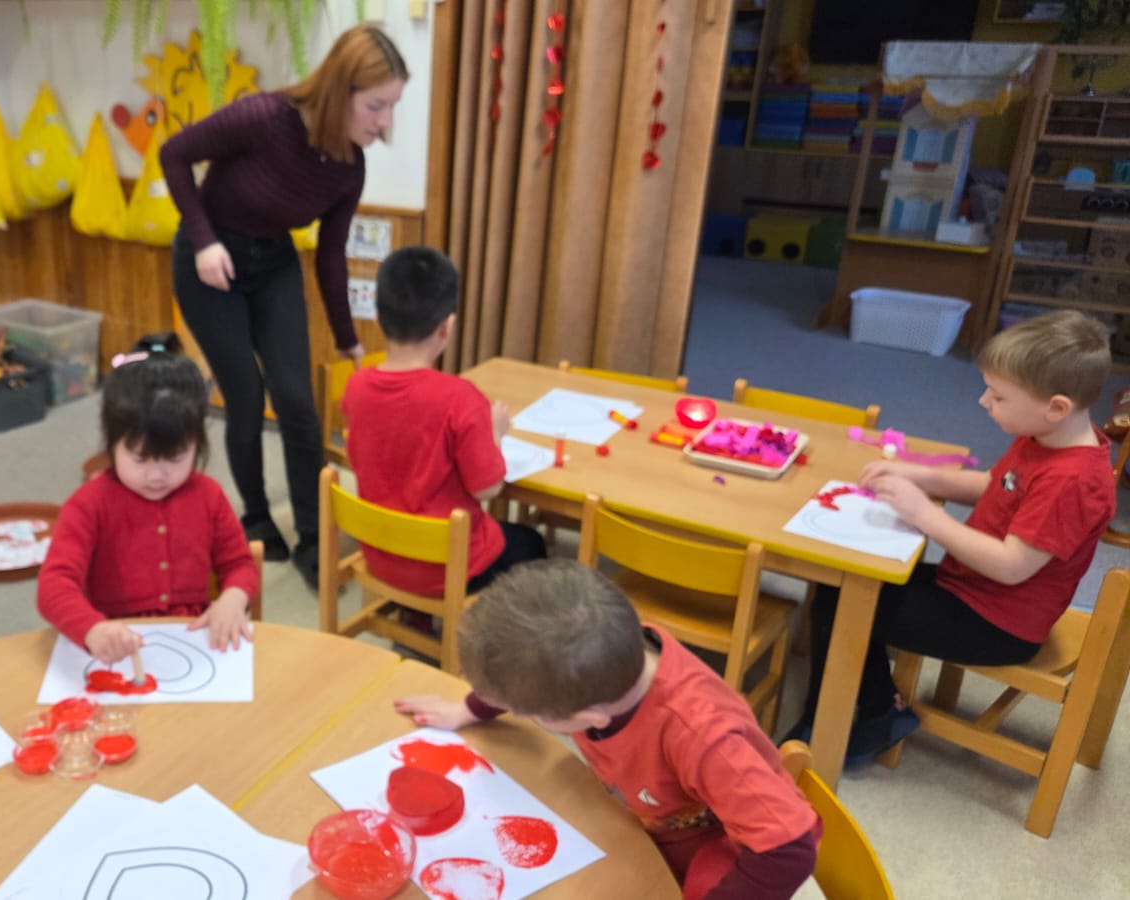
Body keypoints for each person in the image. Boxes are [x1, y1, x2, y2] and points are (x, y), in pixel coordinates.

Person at [791, 309, 1117, 766]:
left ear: (1056, 407)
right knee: (843, 580)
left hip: (997, 623)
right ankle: (877, 703)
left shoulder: (1074, 482)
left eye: (998, 396)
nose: (984, 402)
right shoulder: (1045, 436)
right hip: (968, 588)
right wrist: (920, 475)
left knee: (848, 603)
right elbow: (995, 485)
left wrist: (923, 513)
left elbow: (1010, 565)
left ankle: (847, 722)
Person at [395, 561, 819, 900]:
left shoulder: (702, 736)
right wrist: (468, 709)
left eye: (533, 714)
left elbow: (790, 849)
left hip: (715, 844)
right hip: (641, 817)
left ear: (591, 716)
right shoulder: (606, 649)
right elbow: (529, 662)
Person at [161, 24, 409, 587]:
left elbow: (331, 255)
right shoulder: (265, 117)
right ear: (341, 90)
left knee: (297, 399)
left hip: (273, 263)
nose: (385, 121)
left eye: (392, 107)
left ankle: (314, 538)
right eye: (376, 106)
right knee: (246, 396)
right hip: (211, 264)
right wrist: (203, 240)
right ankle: (255, 517)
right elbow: (174, 154)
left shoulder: (350, 167)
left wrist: (347, 338)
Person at [37, 334, 260, 665]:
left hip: (194, 640)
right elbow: (53, 586)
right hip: (115, 646)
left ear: (198, 445)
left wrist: (233, 598)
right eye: (140, 459)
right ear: (111, 445)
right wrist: (91, 628)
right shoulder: (89, 504)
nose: (157, 476)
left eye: (175, 458)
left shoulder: (209, 495)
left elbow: (240, 565)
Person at [342, 246, 546, 597]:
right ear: (446, 328)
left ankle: (416, 614)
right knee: (531, 542)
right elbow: (487, 488)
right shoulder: (460, 398)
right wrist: (495, 434)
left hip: (380, 554)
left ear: (376, 319)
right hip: (449, 566)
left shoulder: (356, 387)